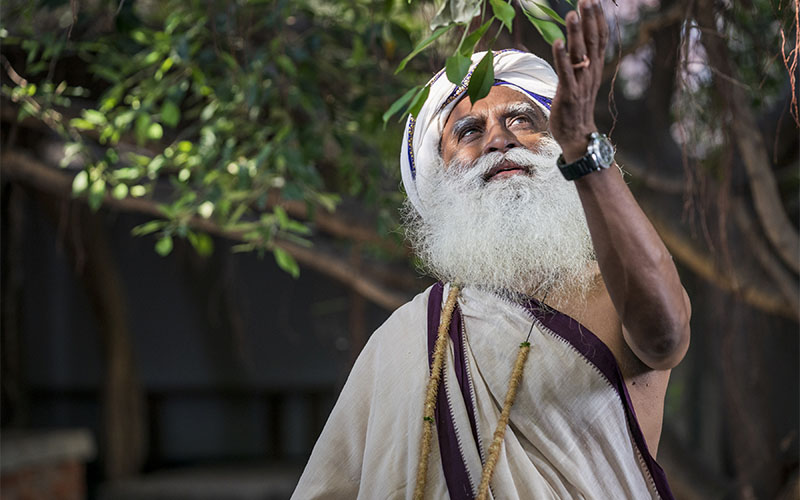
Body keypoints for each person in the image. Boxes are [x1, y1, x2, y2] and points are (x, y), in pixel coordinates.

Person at [292, 0, 691, 498]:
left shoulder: (616, 290)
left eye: (522, 119)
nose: (499, 140)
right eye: (469, 132)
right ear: (438, 180)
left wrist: (583, 145)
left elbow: (666, 336)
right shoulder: (410, 338)